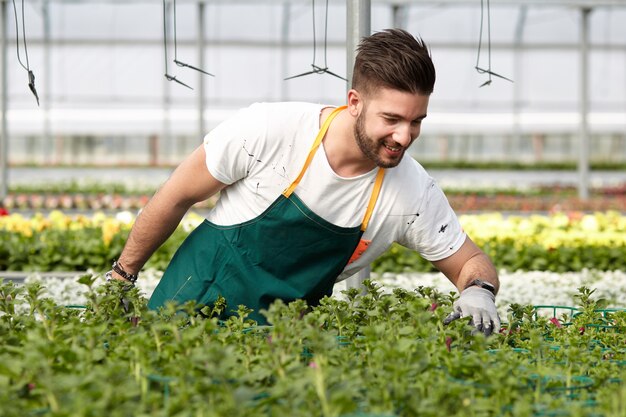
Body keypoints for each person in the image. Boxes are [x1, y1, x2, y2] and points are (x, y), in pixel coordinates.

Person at [108, 28, 500, 334]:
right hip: (186, 312)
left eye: (416, 122)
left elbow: (470, 260)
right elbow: (175, 197)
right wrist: (122, 277)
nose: (404, 136)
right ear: (354, 102)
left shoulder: (411, 191)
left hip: (281, 342)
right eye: (392, 120)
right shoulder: (268, 130)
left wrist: (478, 292)